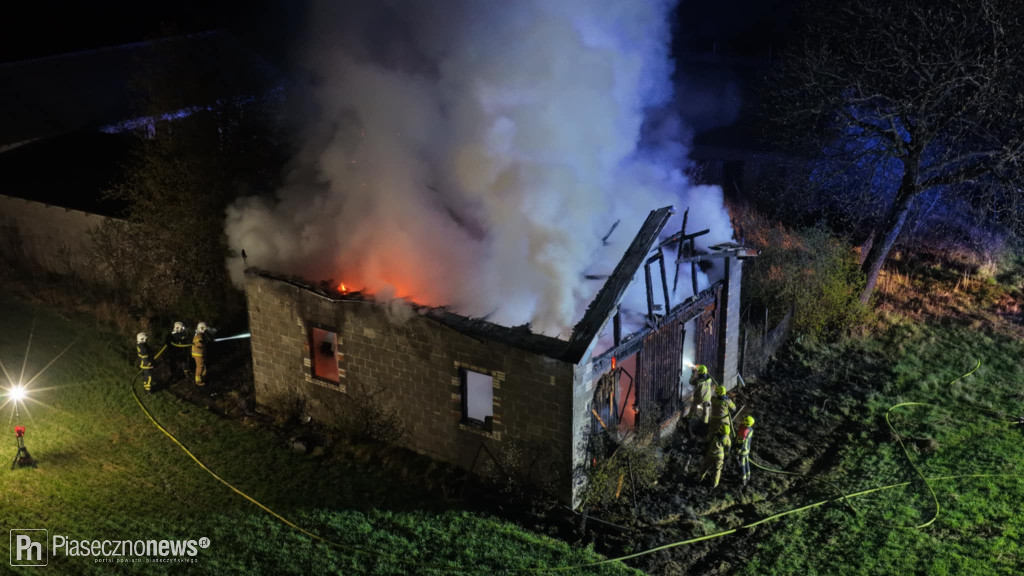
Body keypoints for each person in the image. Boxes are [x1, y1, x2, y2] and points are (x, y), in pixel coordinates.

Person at [699, 423, 732, 488]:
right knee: (717, 470)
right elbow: (728, 446)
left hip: (710, 454)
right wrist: (727, 454)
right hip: (719, 456)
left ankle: (699, 477)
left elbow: (707, 440)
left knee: (705, 466)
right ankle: (714, 484)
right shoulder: (726, 438)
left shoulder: (713, 435)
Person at [687, 364, 714, 437]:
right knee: (706, 413)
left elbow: (690, 382)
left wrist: (693, 374)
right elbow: (707, 375)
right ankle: (704, 425)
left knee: (693, 408)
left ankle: (690, 419)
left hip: (699, 398)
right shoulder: (709, 379)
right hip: (707, 398)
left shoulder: (698, 382)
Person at [738, 415, 755, 486]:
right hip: (747, 449)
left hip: (743, 450)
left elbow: (741, 443)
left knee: (742, 465)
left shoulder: (744, 431)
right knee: (747, 462)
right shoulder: (750, 429)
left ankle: (743, 479)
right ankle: (748, 475)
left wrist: (737, 450)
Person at [191, 322, 210, 387]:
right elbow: (199, 343)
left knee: (202, 364)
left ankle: (203, 373)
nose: (206, 330)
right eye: (205, 328)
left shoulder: (199, 334)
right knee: (200, 366)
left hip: (199, 353)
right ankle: (198, 380)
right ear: (201, 328)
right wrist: (205, 343)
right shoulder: (199, 335)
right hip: (198, 353)